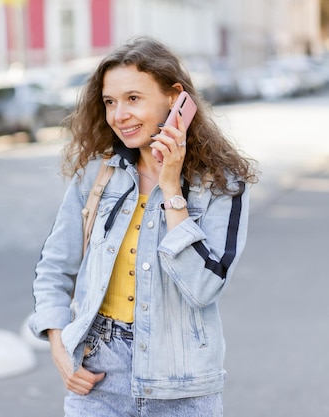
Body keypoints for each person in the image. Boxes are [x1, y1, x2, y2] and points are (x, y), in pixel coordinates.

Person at [28, 36, 258, 417]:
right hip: (98, 375)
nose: (119, 115)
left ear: (175, 98)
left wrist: (171, 187)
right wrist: (59, 344)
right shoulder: (97, 174)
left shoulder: (221, 183)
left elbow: (204, 287)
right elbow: (54, 268)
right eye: (110, 102)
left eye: (133, 99)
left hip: (183, 383)